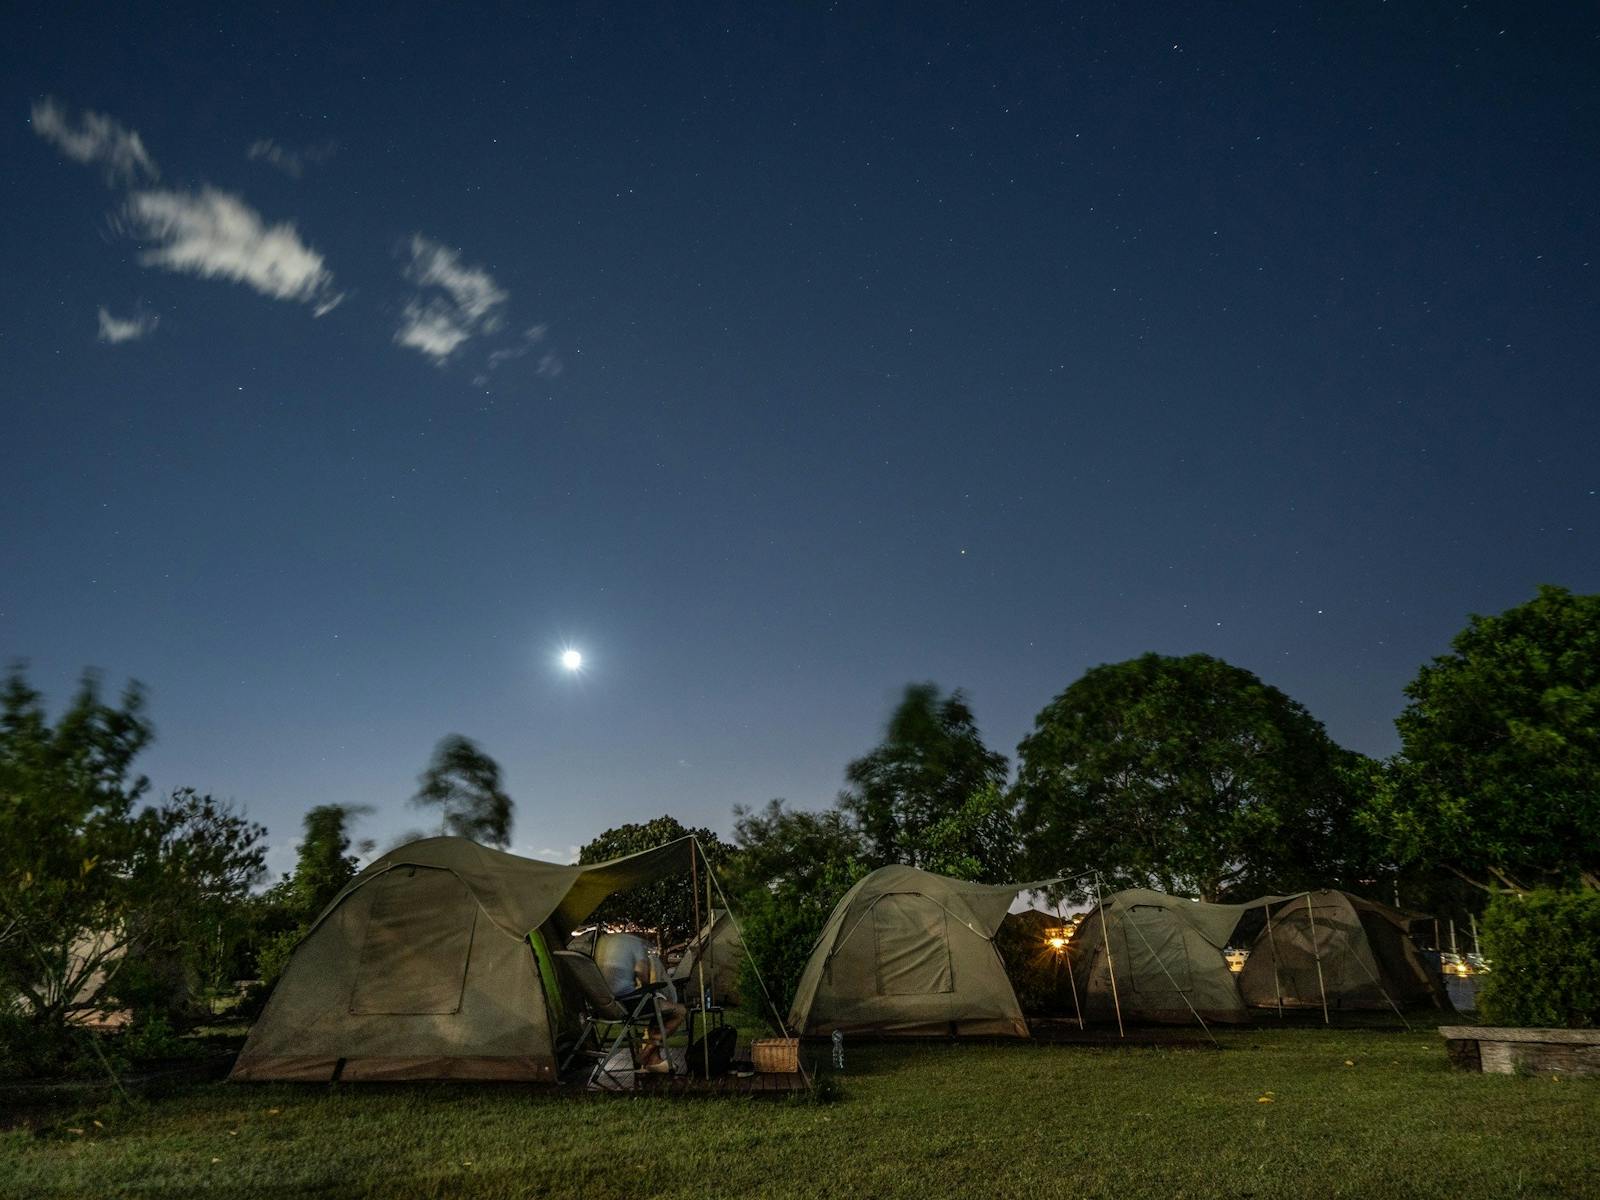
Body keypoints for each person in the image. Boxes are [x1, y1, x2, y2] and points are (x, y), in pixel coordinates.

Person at [587, 931, 684, 1073]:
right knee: (679, 1011)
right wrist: (648, 987)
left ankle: (654, 1061)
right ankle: (645, 1055)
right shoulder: (636, 943)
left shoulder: (603, 942)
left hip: (602, 1005)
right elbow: (642, 974)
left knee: (656, 1010)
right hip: (626, 1003)